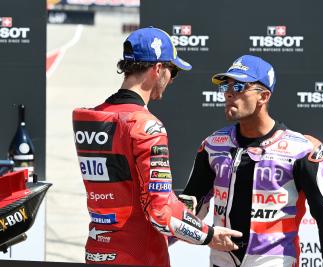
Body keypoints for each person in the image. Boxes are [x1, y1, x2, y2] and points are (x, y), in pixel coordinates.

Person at [72, 27, 242, 266]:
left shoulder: (90, 119)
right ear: (158, 69)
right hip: (139, 255)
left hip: (98, 252)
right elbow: (160, 212)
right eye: (173, 72)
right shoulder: (146, 125)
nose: (172, 80)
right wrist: (209, 235)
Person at [182, 55, 323, 267]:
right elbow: (189, 208)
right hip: (221, 261)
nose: (228, 93)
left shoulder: (300, 150)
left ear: (263, 96)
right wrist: (203, 234)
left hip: (274, 261)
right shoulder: (213, 145)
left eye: (239, 87)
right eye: (227, 86)